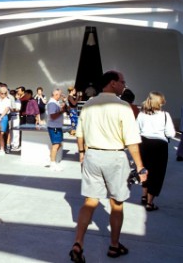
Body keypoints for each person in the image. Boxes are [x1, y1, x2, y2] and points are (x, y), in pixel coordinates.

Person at [70, 71, 148, 263]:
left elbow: (80, 133)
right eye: (122, 82)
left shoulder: (88, 104)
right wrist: (140, 167)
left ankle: (78, 243)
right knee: (117, 203)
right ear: (113, 83)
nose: (124, 85)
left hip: (92, 155)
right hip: (114, 157)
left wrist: (81, 153)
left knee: (90, 201)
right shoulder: (123, 107)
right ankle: (114, 245)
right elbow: (131, 140)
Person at [137, 92, 175, 211]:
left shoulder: (142, 114)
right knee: (157, 173)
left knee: (145, 170)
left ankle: (144, 195)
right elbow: (171, 133)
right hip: (159, 145)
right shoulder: (165, 115)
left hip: (144, 143)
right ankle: (150, 202)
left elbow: (136, 129)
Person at [46, 88, 66, 171]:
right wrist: (61, 111)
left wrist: (64, 103)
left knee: (59, 144)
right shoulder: (52, 103)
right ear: (56, 95)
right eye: (60, 94)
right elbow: (53, 116)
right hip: (54, 127)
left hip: (57, 126)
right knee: (56, 145)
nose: (61, 96)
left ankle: (52, 159)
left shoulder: (55, 103)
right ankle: (53, 163)